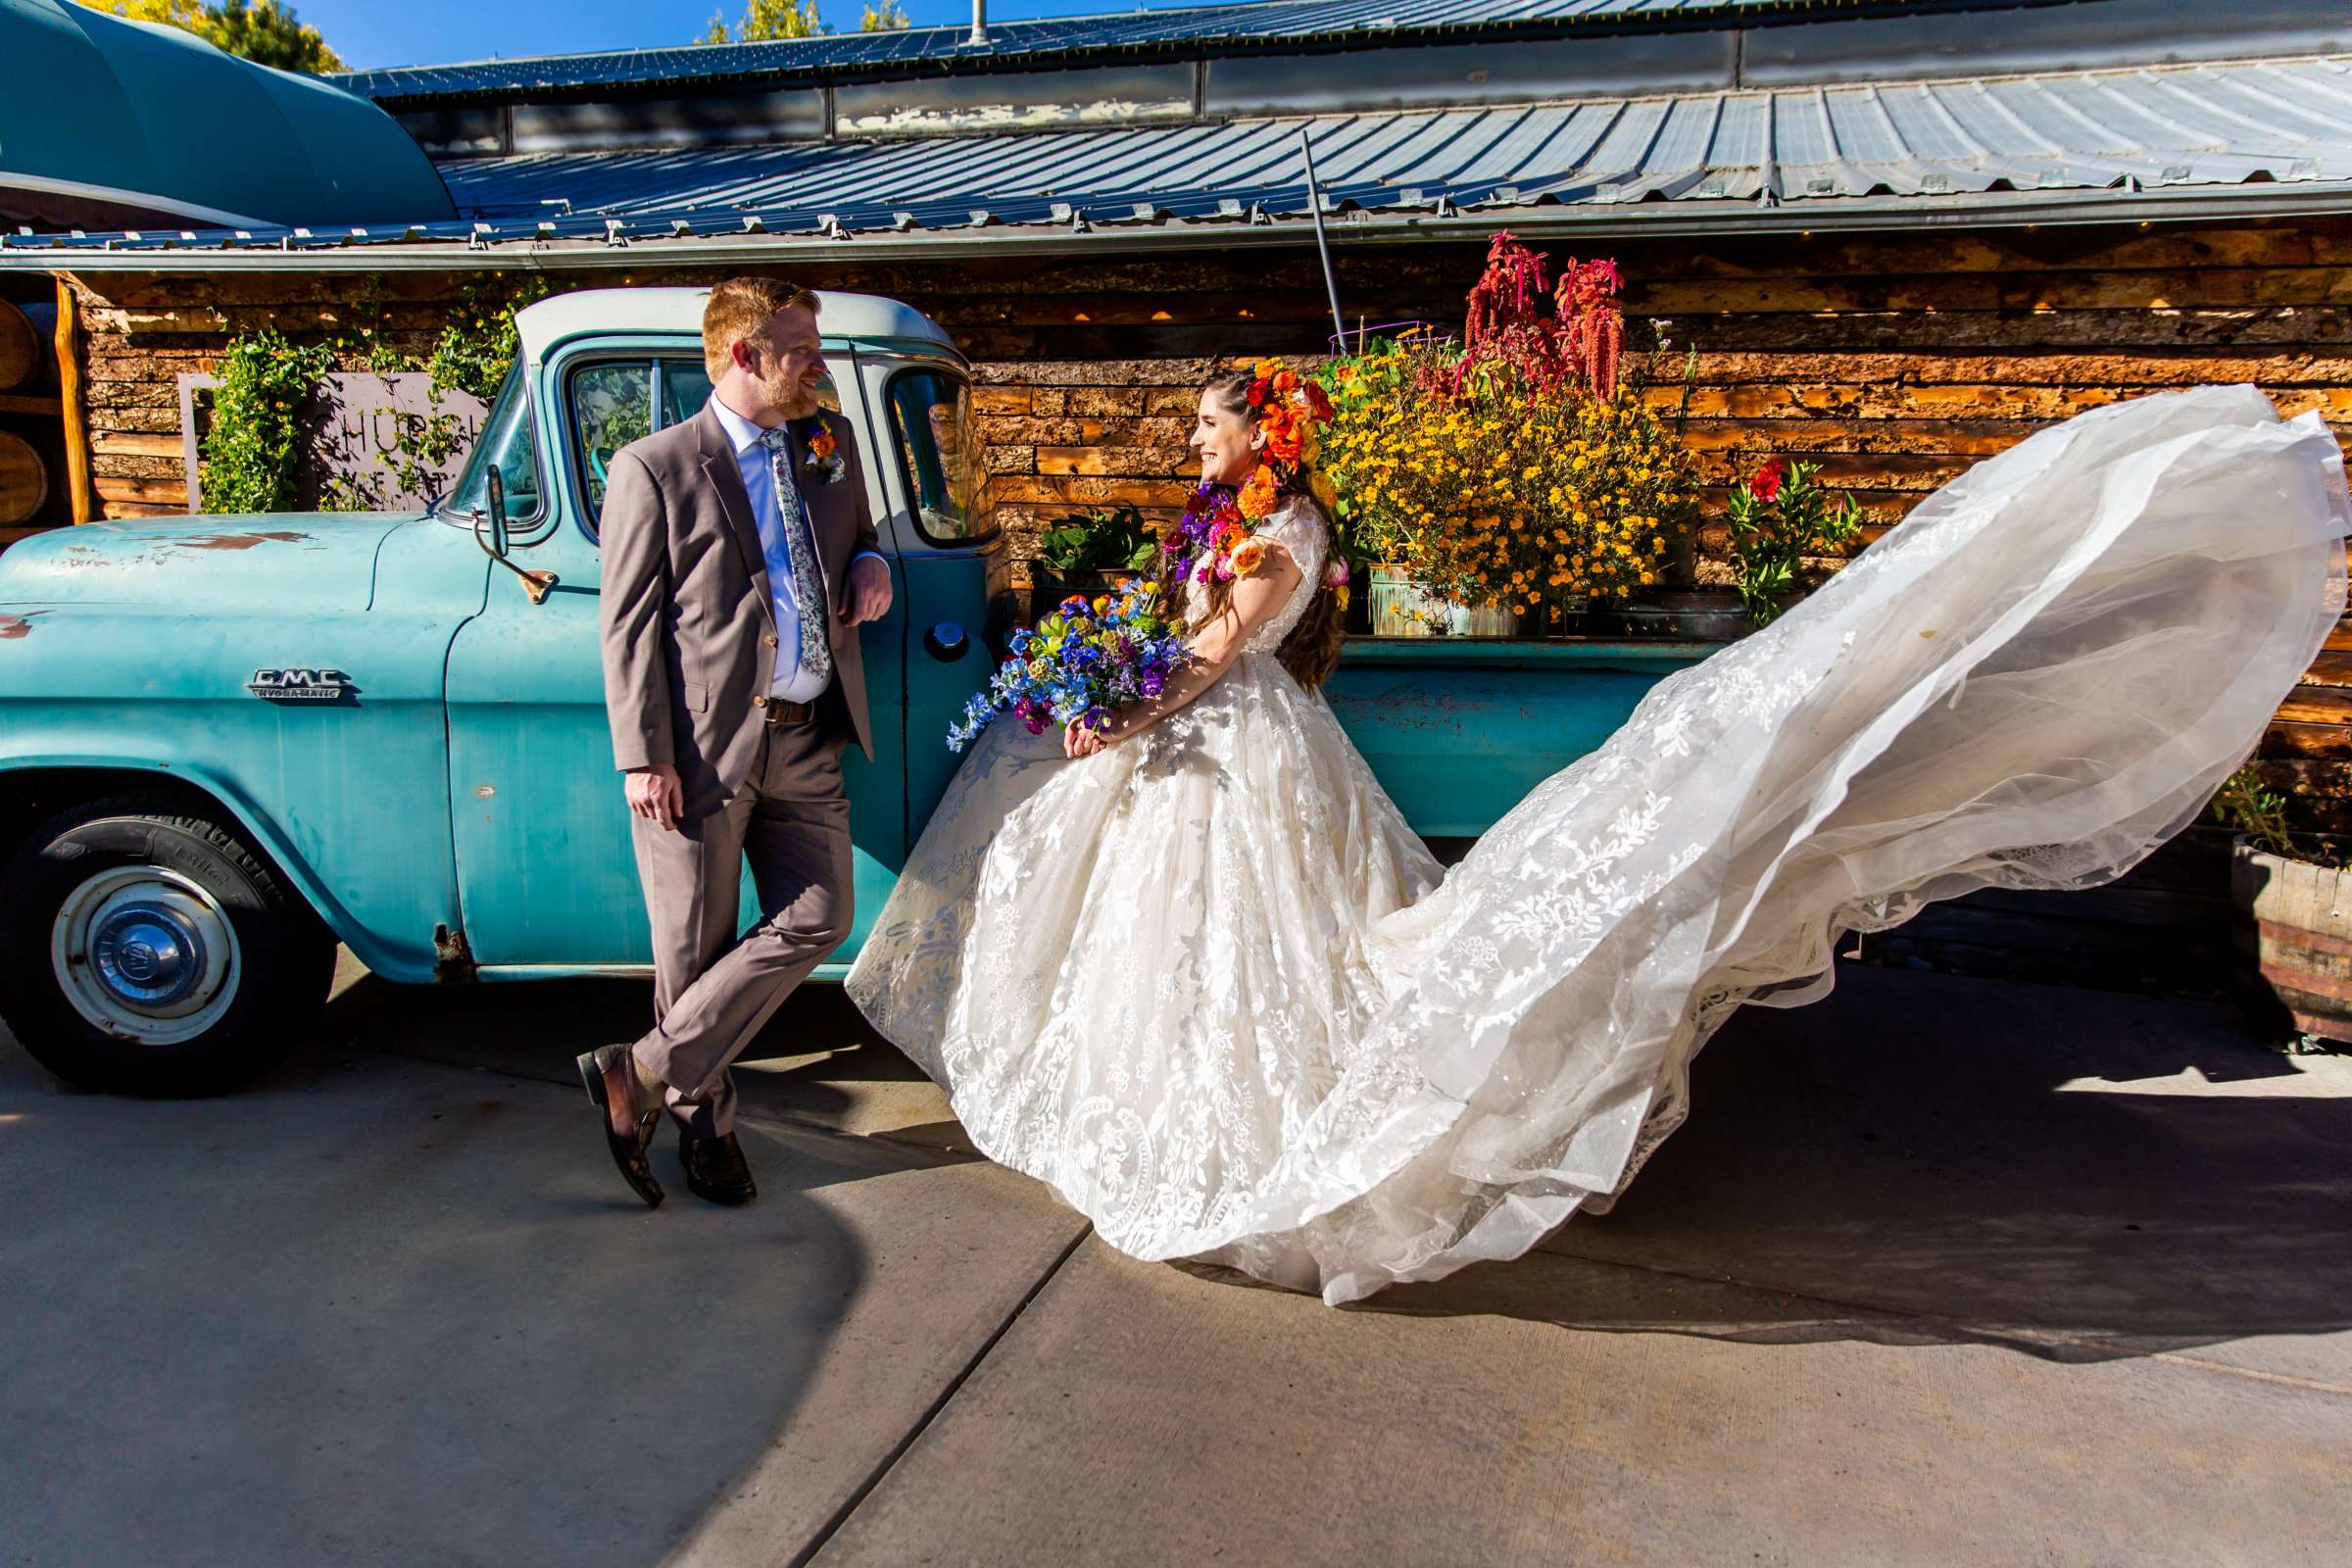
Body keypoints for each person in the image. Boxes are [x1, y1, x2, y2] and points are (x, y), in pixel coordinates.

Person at [849, 370, 2350, 1304]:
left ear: (1265, 432)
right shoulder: (1213, 519)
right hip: (1192, 751)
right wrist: (1111, 675)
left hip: (1232, 750)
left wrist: (1118, 702)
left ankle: (1269, 1138)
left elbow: (1222, 656)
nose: (1194, 433)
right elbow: (1180, 632)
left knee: (1264, 952)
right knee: (1168, 952)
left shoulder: (1281, 532)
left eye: (1212, 418)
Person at [580, 277, 893, 1208]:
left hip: (807, 735)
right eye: (802, 349)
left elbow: (855, 530)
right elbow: (628, 624)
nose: (819, 365)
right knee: (693, 946)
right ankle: (706, 1129)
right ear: (745, 355)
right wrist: (644, 755)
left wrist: (870, 559)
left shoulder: (824, 443)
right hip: (705, 750)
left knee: (823, 913)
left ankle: (635, 1073)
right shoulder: (657, 466)